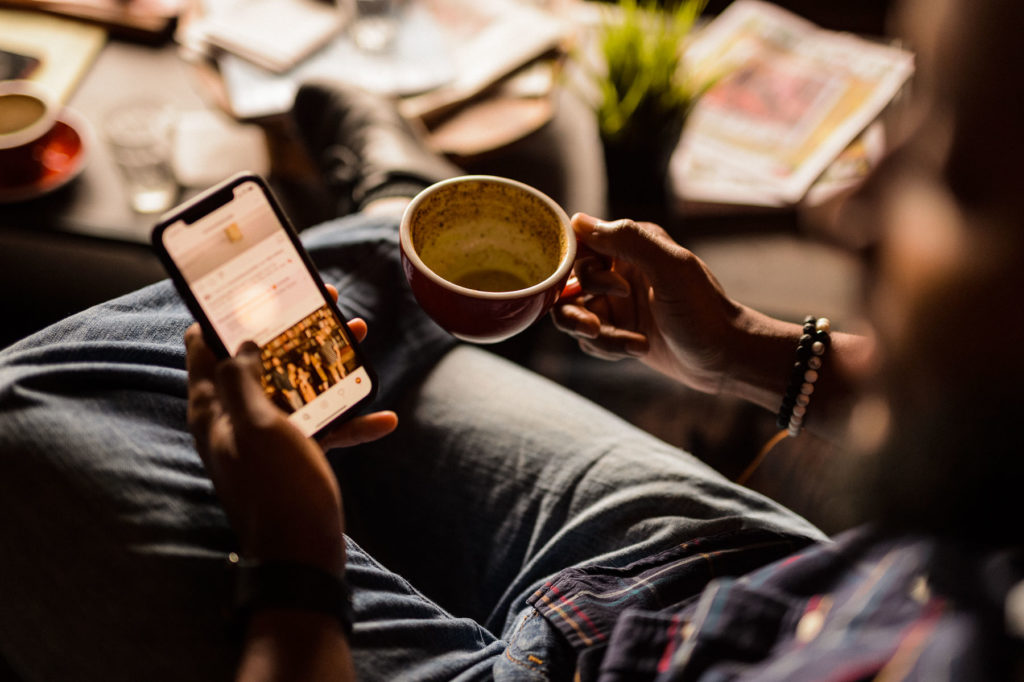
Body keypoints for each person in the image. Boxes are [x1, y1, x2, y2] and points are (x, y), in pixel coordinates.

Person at [1, 0, 1023, 679]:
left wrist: (293, 563)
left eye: (956, 181)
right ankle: (402, 211)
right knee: (368, 377)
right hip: (726, 592)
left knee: (32, 406)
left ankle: (400, 209)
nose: (848, 213)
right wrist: (748, 350)